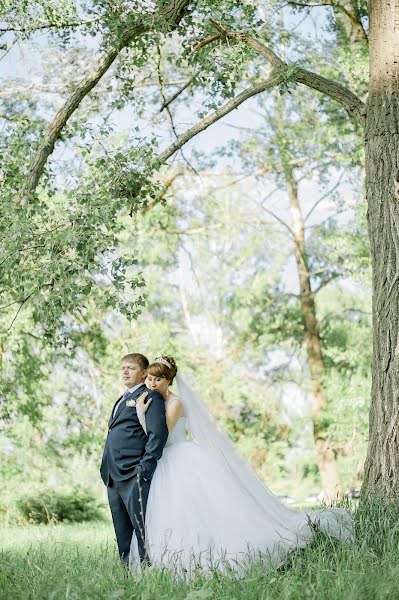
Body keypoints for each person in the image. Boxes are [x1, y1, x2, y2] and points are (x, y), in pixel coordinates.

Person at [129, 355, 353, 576]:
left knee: (194, 508)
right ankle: (169, 555)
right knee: (173, 510)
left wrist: (140, 413)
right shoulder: (156, 401)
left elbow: (160, 434)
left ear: (169, 380)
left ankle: (203, 552)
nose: (151, 383)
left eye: (157, 379)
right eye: (149, 378)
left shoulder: (175, 403)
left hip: (179, 456)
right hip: (166, 460)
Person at [100, 353, 168, 566]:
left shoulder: (150, 396)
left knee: (142, 528)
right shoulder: (121, 398)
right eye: (123, 368)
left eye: (130, 368)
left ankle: (149, 570)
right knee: (121, 530)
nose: (125, 371)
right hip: (113, 475)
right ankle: (127, 573)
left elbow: (157, 435)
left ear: (144, 373)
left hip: (134, 473)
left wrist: (144, 468)